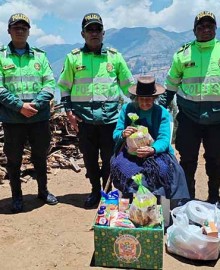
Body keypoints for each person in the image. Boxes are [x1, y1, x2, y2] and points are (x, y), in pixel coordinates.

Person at [58, 12, 134, 208]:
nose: (94, 33)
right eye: (89, 29)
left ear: (103, 33)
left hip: (110, 120)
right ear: (83, 34)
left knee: (110, 160)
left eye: (97, 29)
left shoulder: (115, 58)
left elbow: (128, 87)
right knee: (90, 160)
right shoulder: (73, 58)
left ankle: (106, 192)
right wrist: (69, 113)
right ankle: (94, 191)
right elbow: (65, 87)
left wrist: (142, 103)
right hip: (84, 120)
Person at [159, 11, 220, 203]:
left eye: (209, 26)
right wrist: (155, 111)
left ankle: (214, 198)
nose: (205, 30)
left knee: (216, 161)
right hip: (189, 118)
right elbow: (170, 87)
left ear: (215, 29)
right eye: (201, 26)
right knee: (187, 161)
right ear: (194, 30)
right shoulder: (182, 54)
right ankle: (187, 200)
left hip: (217, 119)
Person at [0, 13, 58, 213]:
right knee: (14, 159)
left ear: (28, 31)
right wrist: (19, 106)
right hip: (13, 120)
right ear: (9, 30)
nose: (20, 30)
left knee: (40, 156)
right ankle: (17, 196)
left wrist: (35, 104)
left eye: (24, 27)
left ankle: (43, 191)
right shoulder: (1, 56)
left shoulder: (40, 56)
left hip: (38, 118)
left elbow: (50, 83)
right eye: (16, 27)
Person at [110, 76, 189, 203]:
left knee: (163, 170)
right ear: (136, 98)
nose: (145, 103)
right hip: (130, 153)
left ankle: (158, 200)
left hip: (156, 153)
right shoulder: (127, 109)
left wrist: (152, 149)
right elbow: (116, 134)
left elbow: (164, 139)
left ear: (154, 98)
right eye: (141, 99)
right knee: (121, 167)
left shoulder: (161, 112)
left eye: (149, 99)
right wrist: (123, 134)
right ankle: (131, 198)